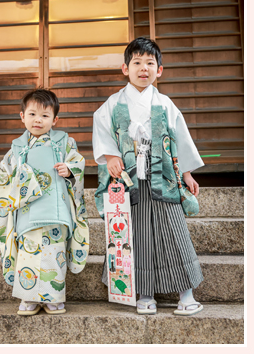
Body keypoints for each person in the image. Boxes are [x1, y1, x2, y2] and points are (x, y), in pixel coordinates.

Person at [93, 37, 204, 316]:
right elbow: (103, 134)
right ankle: (145, 294)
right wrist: (110, 156)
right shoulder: (113, 103)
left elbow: (180, 141)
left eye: (150, 63)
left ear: (160, 70)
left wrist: (187, 173)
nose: (144, 68)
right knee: (137, 236)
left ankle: (186, 293)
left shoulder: (166, 104)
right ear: (125, 68)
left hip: (163, 179)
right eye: (137, 62)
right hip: (129, 181)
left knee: (175, 233)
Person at [0, 88, 89, 316]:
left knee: (54, 254)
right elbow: (7, 174)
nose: (38, 120)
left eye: (45, 116)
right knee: (28, 253)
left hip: (55, 209)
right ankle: (29, 298)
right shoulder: (17, 147)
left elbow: (78, 162)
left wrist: (69, 170)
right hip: (27, 210)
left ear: (54, 119)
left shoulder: (64, 142)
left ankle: (54, 298)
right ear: (22, 116)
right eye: (33, 114)